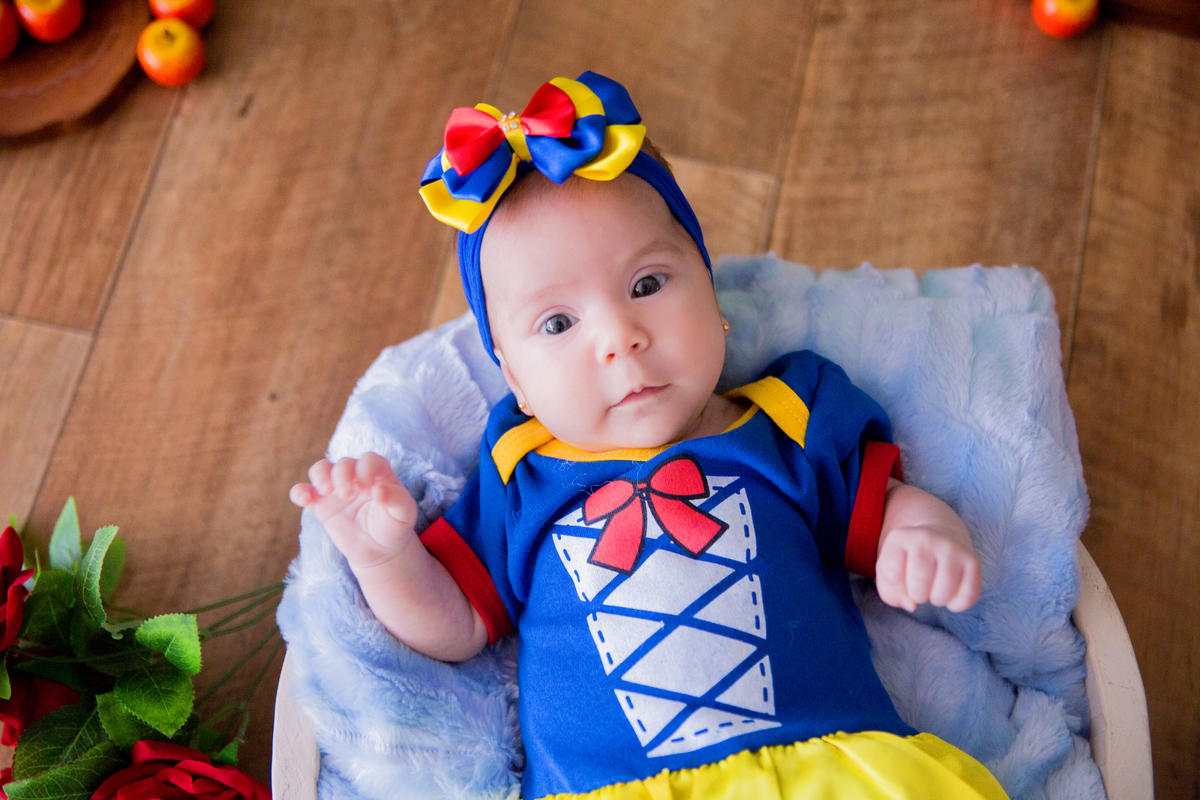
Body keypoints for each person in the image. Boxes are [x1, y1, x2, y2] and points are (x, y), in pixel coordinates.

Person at [290, 72, 1007, 800]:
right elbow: (458, 622)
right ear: (515, 379)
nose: (620, 339)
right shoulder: (520, 469)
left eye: (648, 285)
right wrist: (384, 556)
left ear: (710, 288)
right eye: (558, 324)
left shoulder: (786, 416)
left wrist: (921, 533)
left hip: (824, 766)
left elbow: (887, 501)